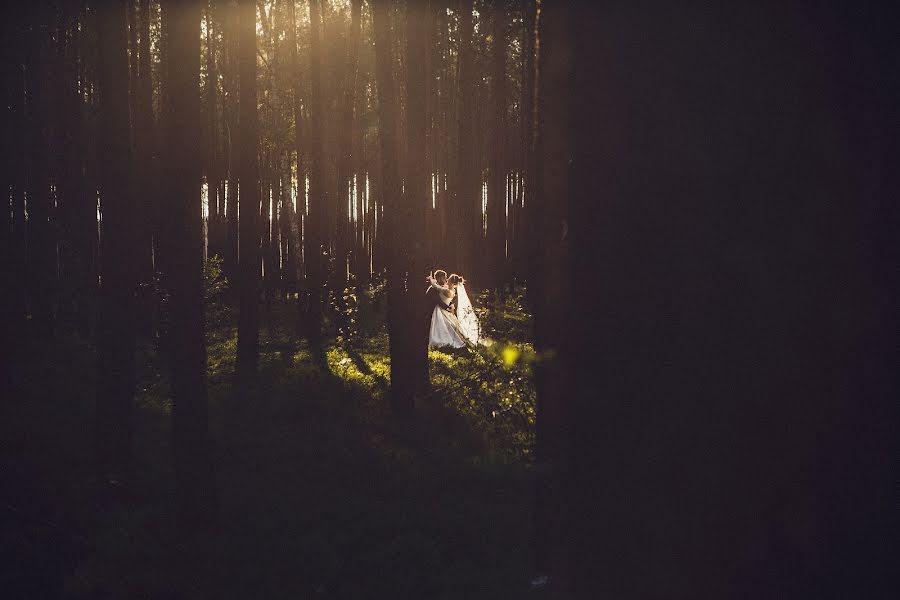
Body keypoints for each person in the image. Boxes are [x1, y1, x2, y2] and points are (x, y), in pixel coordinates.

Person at [425, 271, 480, 349]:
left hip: (442, 311)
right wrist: (450, 306)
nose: (446, 279)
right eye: (445, 277)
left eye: (447, 278)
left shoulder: (444, 289)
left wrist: (431, 279)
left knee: (448, 326)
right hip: (433, 311)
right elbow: (439, 301)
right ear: (440, 278)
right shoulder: (436, 288)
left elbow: (443, 299)